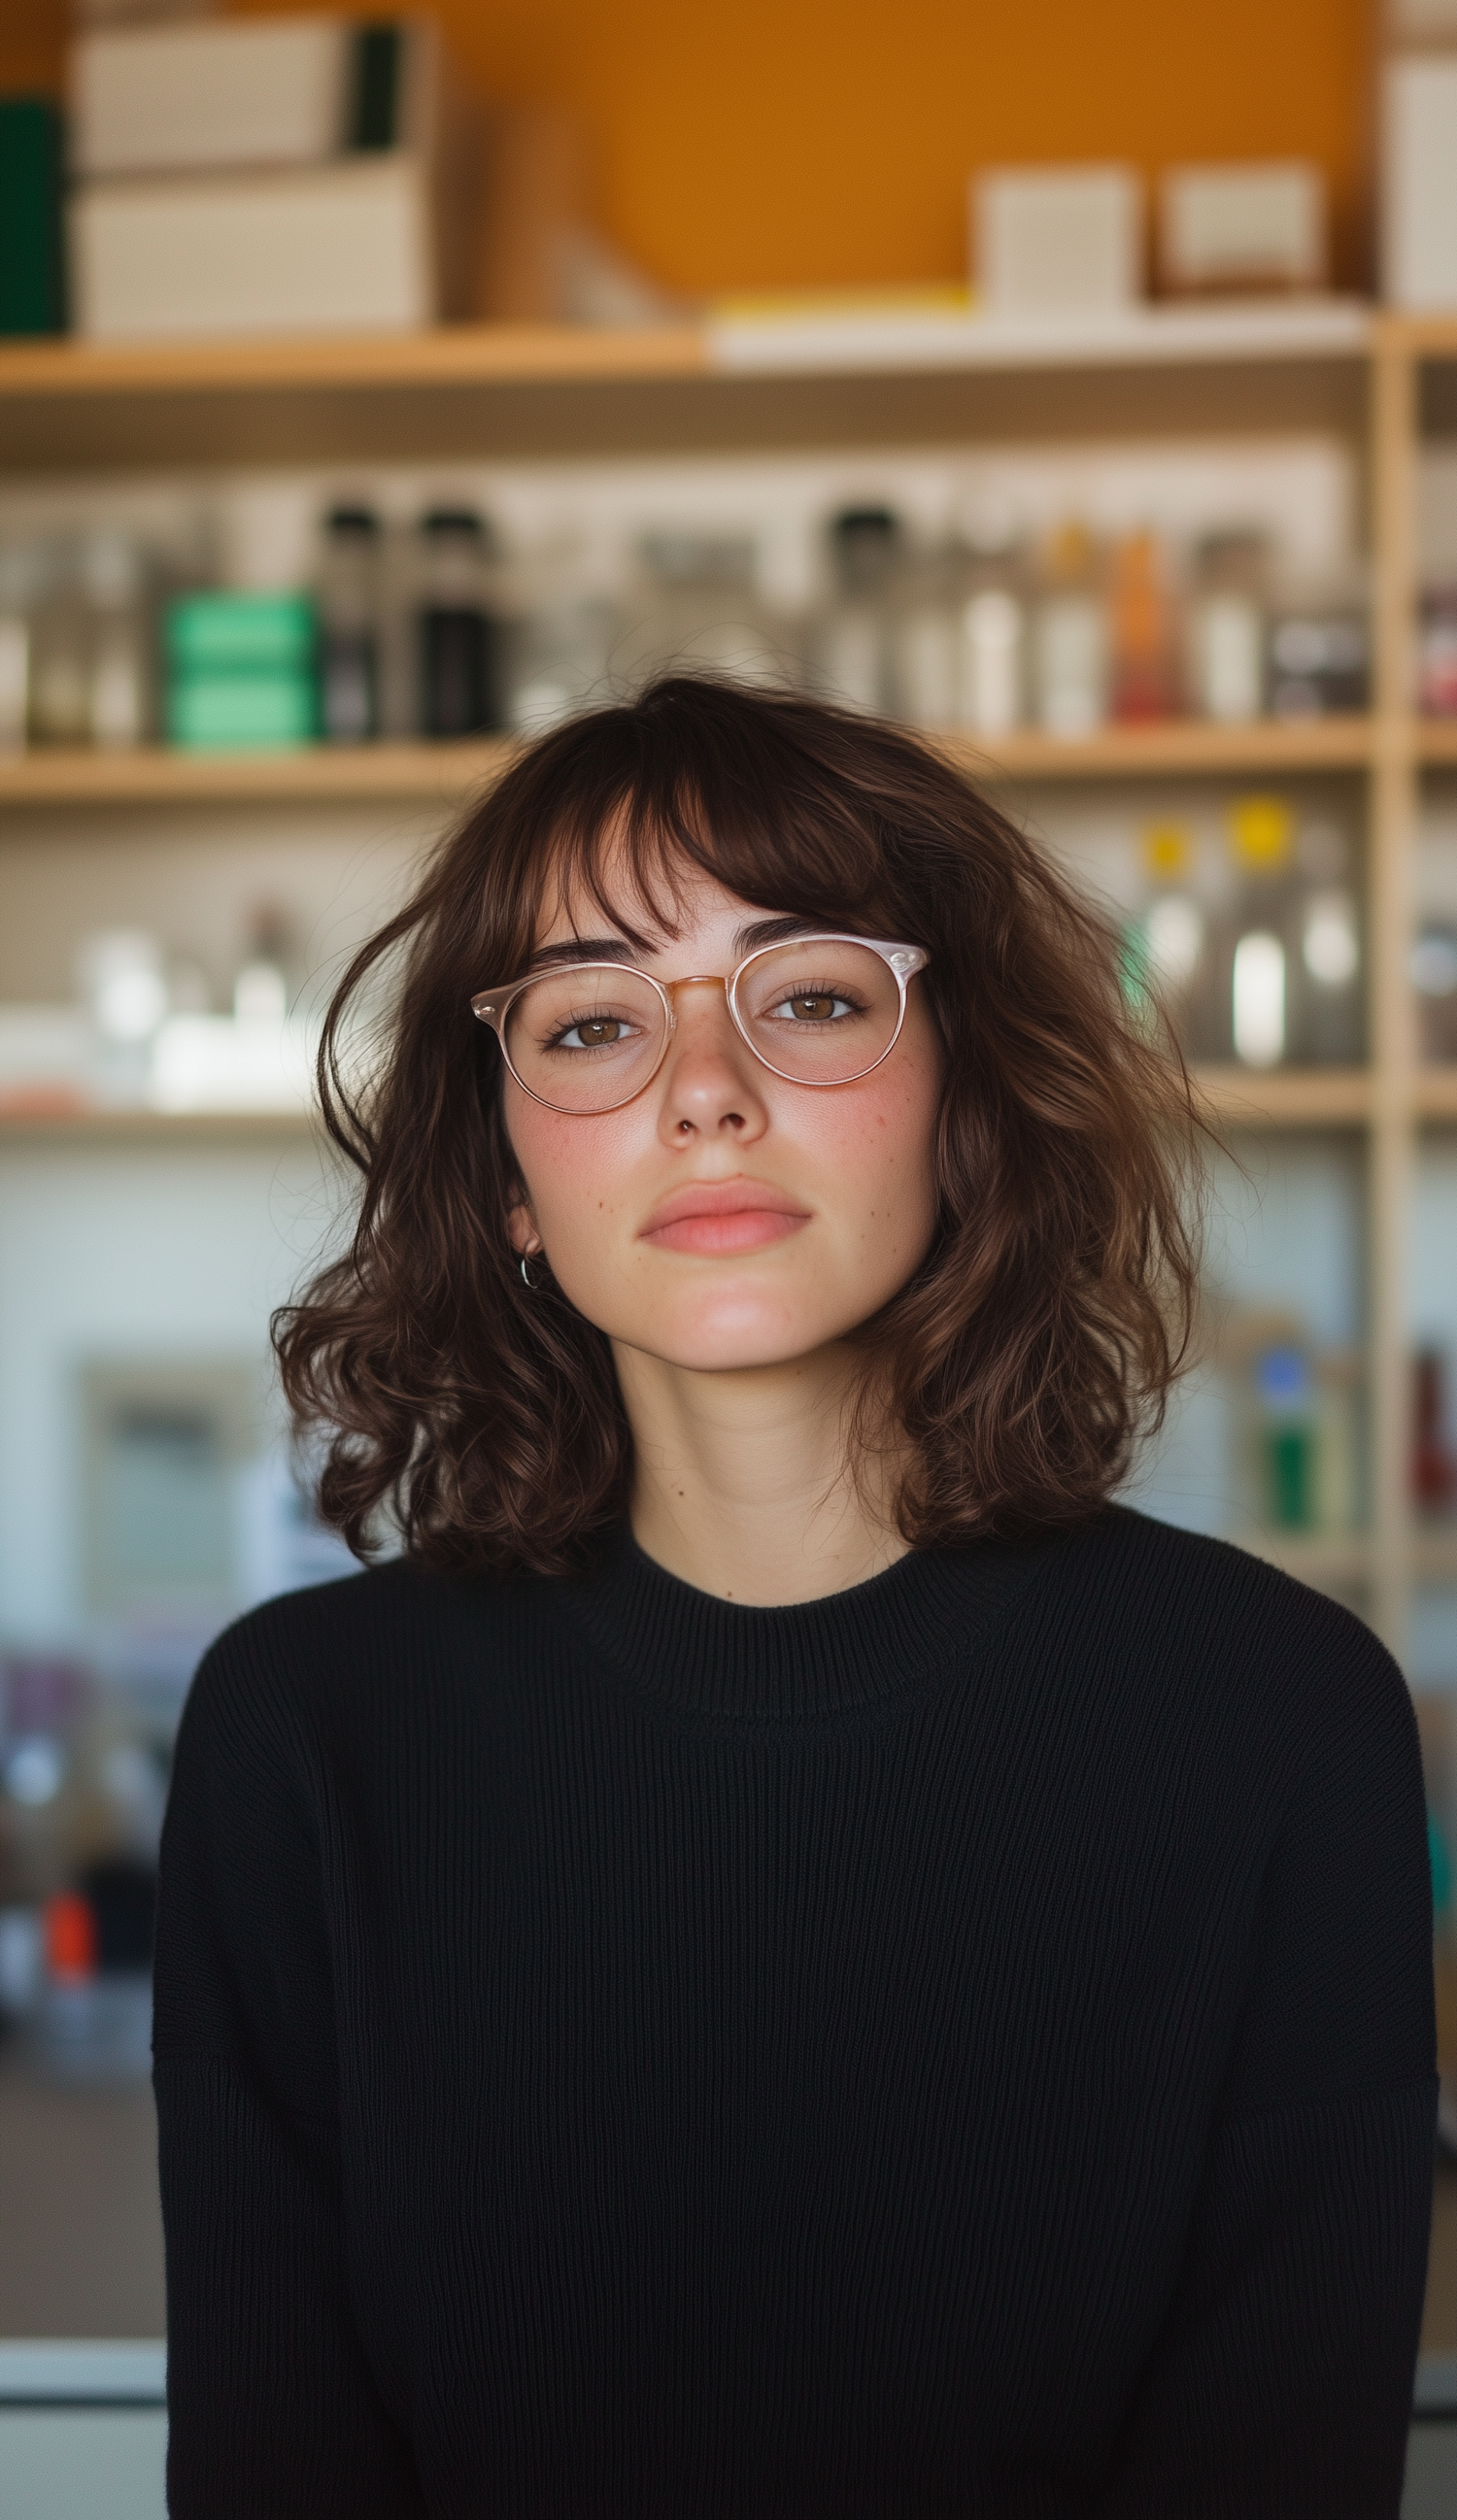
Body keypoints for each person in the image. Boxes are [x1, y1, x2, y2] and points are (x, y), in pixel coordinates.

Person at [153, 677, 1435, 2518]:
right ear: (509, 1177)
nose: (705, 1095)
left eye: (814, 997)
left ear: (966, 1097)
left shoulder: (1278, 1724)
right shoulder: (305, 1737)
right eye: (593, 1023)